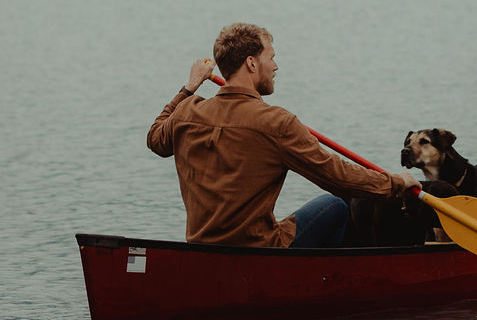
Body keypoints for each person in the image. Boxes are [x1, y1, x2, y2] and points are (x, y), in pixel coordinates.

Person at [146, 21, 415, 247]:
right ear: (251, 63)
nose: (275, 67)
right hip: (258, 250)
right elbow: (337, 177)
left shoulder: (186, 112)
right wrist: (394, 183)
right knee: (335, 205)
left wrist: (189, 87)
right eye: (271, 58)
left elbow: (155, 138)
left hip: (202, 249)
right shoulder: (276, 123)